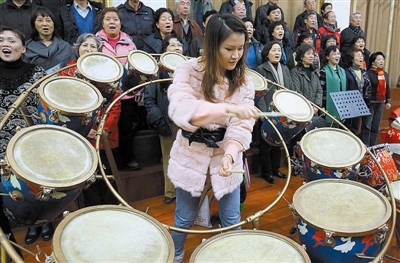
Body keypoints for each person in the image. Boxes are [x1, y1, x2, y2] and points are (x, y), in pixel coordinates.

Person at [167, 14, 258, 262]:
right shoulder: (188, 69)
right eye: (229, 48)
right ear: (212, 45)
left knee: (231, 219)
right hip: (191, 153)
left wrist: (230, 154)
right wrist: (227, 109)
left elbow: (241, 127)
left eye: (241, 48)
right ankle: (174, 257)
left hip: (225, 156)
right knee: (184, 218)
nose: (235, 55)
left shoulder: (244, 80)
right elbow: (181, 110)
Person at [60, 33, 122, 205]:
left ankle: (112, 208)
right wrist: (85, 129)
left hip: (104, 133)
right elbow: (62, 104)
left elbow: (115, 102)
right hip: (80, 134)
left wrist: (103, 128)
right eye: (84, 45)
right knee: (87, 178)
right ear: (77, 48)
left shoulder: (106, 70)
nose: (88, 49)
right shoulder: (66, 71)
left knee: (109, 175)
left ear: (99, 50)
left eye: (93, 46)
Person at [0, 26, 47, 248]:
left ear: (24, 48)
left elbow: (47, 105)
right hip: (0, 145)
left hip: (32, 141)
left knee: (35, 186)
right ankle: (7, 238)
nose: (5, 44)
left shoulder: (37, 72)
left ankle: (38, 223)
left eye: (11, 40)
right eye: (1, 40)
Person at [96, 7, 140, 171]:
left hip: (126, 94)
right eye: (108, 19)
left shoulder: (129, 43)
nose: (112, 22)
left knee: (128, 128)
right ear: (102, 23)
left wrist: (137, 90)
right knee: (109, 128)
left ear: (121, 23)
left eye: (115, 19)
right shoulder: (96, 42)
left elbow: (136, 68)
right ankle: (112, 163)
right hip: (105, 94)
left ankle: (129, 158)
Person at [144, 35, 185, 205]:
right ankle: (171, 191)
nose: (177, 48)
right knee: (170, 157)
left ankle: (187, 190)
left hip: (188, 122)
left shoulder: (191, 70)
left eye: (179, 45)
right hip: (167, 122)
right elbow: (149, 100)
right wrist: (159, 120)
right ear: (165, 49)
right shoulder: (157, 73)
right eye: (172, 45)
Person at [255, 41, 292, 184]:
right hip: (268, 111)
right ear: (266, 53)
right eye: (274, 50)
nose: (277, 53)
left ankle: (276, 169)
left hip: (282, 111)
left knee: (278, 142)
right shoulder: (261, 69)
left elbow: (289, 89)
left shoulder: (285, 69)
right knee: (265, 144)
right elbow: (260, 92)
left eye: (279, 50)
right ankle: (267, 172)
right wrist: (264, 112)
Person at [290, 44, 322, 156]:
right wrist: (308, 107)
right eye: (308, 54)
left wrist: (316, 106)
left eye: (312, 54)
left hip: (313, 111)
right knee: (298, 138)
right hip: (300, 111)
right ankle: (296, 161)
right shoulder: (295, 72)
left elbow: (319, 90)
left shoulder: (315, 72)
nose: (311, 56)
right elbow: (296, 91)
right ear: (301, 57)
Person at [23, 6, 73, 73]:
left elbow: (72, 70)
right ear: (34, 25)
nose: (45, 24)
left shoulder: (65, 47)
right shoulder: (27, 48)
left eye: (48, 20)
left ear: (54, 24)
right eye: (40, 20)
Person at [361, 52, 391, 146]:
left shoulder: (384, 74)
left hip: (380, 102)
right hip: (370, 102)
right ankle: (366, 145)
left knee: (376, 126)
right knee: (367, 125)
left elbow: (388, 88)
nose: (381, 61)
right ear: (373, 62)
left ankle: (373, 145)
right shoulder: (368, 73)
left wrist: (388, 101)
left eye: (382, 59)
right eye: (379, 59)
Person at [344, 49, 371, 136]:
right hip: (349, 103)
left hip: (361, 103)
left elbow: (367, 87)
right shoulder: (347, 72)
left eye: (361, 56)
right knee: (348, 127)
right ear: (352, 59)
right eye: (358, 56)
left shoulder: (364, 72)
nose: (361, 58)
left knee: (356, 127)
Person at [319, 46, 346, 126]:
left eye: (338, 54)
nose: (337, 56)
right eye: (334, 54)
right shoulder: (324, 71)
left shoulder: (342, 71)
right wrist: (322, 106)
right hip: (327, 106)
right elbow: (321, 90)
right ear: (327, 57)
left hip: (341, 106)